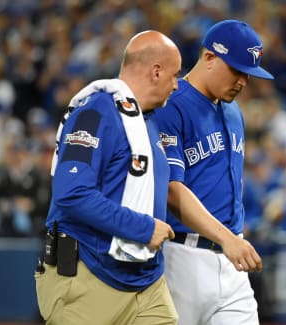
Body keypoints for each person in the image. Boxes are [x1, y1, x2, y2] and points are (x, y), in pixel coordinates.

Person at [35, 30, 182, 325]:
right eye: (175, 75)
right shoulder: (96, 113)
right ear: (156, 71)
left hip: (146, 281)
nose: (176, 85)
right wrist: (143, 228)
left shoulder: (146, 124)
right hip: (90, 277)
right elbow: (72, 193)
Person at [152, 20, 273, 325]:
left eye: (248, 74)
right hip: (182, 259)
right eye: (236, 70)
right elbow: (171, 191)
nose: (243, 81)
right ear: (209, 57)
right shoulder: (171, 106)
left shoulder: (234, 112)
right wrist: (227, 239)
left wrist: (231, 241)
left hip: (233, 260)